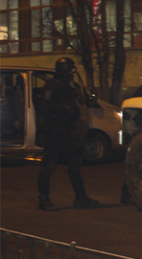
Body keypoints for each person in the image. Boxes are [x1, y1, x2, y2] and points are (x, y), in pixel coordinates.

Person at [36, 57, 99, 211]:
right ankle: (44, 199)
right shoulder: (52, 87)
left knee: (75, 164)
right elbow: (45, 109)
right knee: (49, 166)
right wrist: (62, 110)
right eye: (71, 70)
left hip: (65, 131)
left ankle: (81, 198)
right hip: (54, 133)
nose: (73, 74)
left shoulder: (66, 86)